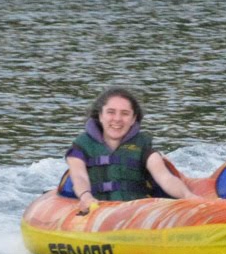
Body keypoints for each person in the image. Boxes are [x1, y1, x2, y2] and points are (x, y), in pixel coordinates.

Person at [66, 86, 197, 213]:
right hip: (97, 209)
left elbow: (165, 178)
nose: (117, 119)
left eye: (125, 113)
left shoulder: (144, 149)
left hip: (137, 211)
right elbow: (79, 176)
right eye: (111, 112)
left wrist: (188, 196)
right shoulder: (81, 147)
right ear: (100, 115)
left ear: (133, 119)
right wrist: (86, 196)